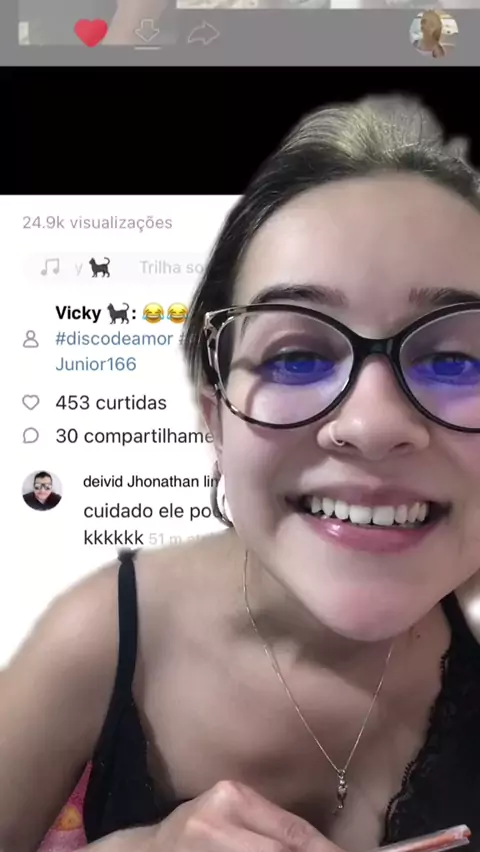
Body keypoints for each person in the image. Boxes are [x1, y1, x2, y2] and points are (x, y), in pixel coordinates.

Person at [3, 94, 480, 852]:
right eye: (297, 356)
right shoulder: (98, 637)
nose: (372, 424)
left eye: (455, 359)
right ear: (214, 417)